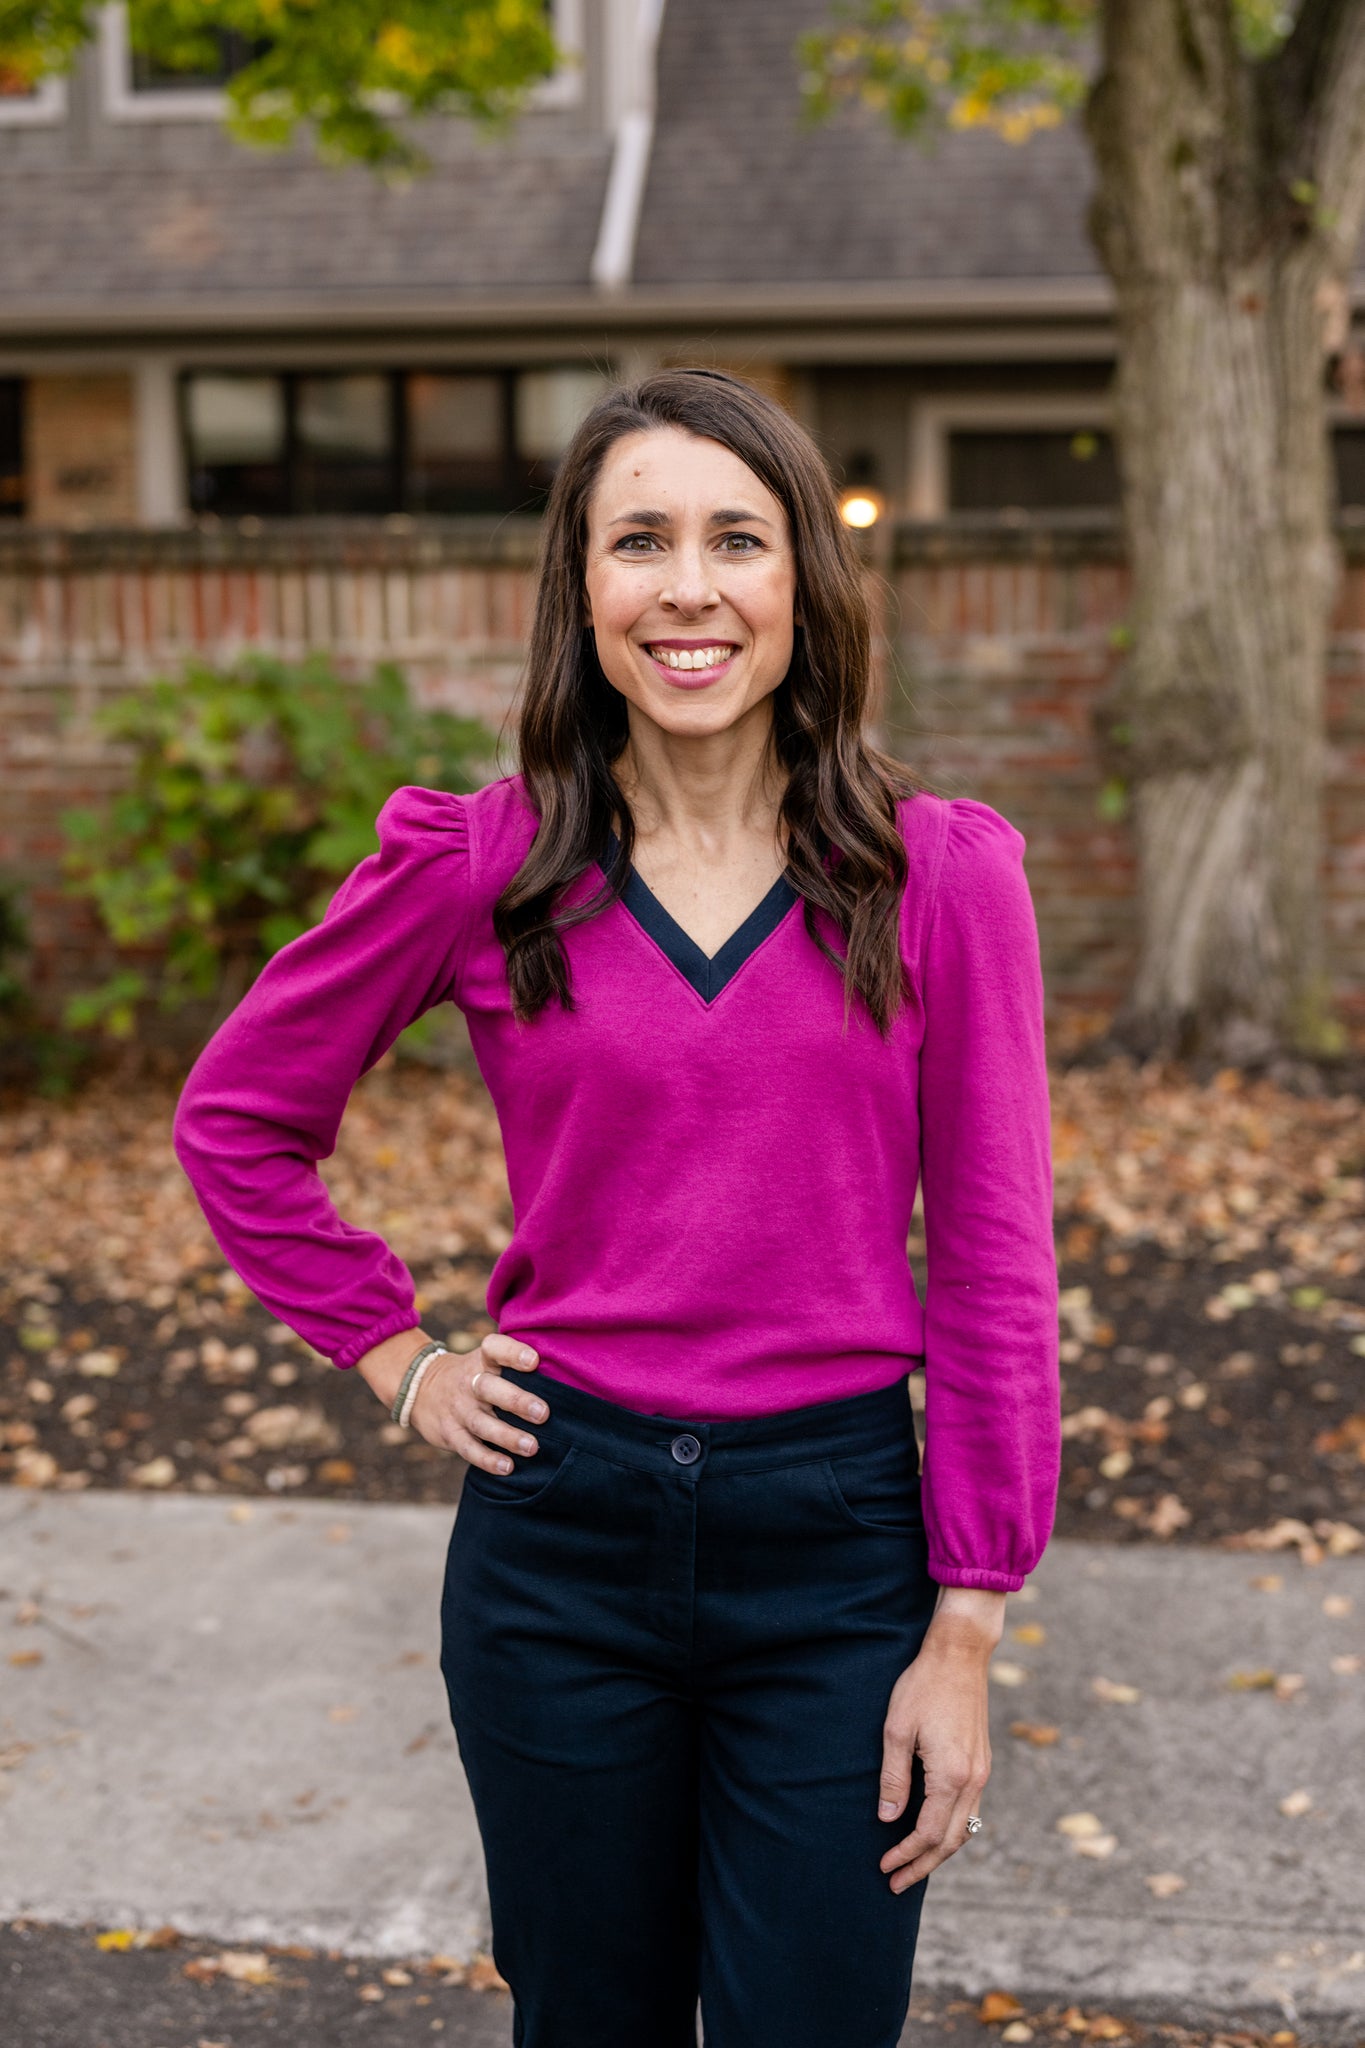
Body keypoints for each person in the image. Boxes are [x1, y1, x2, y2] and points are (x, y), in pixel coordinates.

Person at [173, 367, 1060, 2048]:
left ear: (803, 576)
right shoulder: (483, 862)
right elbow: (238, 1120)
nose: (688, 588)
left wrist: (968, 1621)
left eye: (736, 538)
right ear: (582, 591)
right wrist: (397, 1358)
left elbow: (998, 1269)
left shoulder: (937, 876)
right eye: (636, 541)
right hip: (555, 1547)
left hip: (839, 1556)